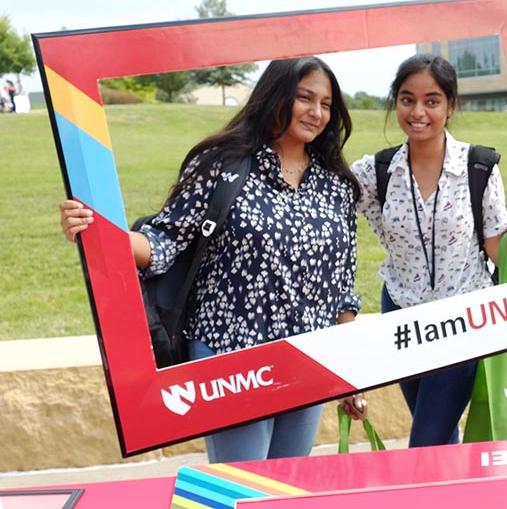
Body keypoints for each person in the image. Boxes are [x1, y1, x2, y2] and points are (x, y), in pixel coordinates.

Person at [60, 57, 367, 463]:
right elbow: (164, 241)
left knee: (289, 489)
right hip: (231, 361)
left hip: (307, 363)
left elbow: (341, 289)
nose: (316, 112)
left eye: (326, 104)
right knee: (239, 490)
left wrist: (351, 375)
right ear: (276, 95)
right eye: (304, 97)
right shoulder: (223, 165)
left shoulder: (336, 185)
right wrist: (97, 232)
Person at [351, 53, 507, 447]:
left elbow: (499, 251)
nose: (418, 111)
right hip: (401, 317)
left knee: (427, 440)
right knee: (439, 434)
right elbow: (323, 203)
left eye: (432, 100)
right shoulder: (377, 171)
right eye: (407, 99)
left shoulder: (478, 166)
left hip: (462, 321)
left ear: (451, 105)